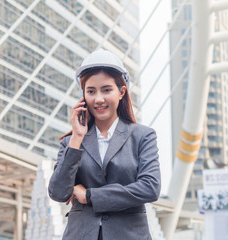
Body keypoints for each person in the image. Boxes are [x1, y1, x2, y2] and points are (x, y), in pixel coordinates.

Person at [48, 48, 161, 240]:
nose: (98, 99)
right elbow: (58, 192)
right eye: (91, 91)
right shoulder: (71, 141)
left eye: (106, 90)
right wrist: (77, 137)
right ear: (83, 96)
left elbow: (150, 187)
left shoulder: (143, 136)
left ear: (121, 92)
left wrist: (90, 196)